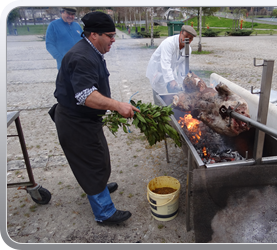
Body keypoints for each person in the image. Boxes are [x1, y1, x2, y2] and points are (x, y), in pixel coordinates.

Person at [49, 11, 140, 225]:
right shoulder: (81, 57)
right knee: (91, 164)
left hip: (86, 120)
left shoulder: (91, 51)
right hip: (75, 122)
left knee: (100, 157)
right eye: (110, 35)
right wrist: (117, 105)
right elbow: (85, 95)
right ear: (94, 35)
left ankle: (99, 186)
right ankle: (104, 212)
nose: (113, 40)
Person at [146, 25, 197, 96]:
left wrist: (183, 84)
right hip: (158, 70)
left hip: (171, 70)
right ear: (180, 33)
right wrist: (171, 80)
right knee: (160, 96)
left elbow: (183, 69)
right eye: (186, 36)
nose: (187, 40)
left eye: (190, 38)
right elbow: (165, 63)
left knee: (174, 94)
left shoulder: (188, 49)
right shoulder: (169, 43)